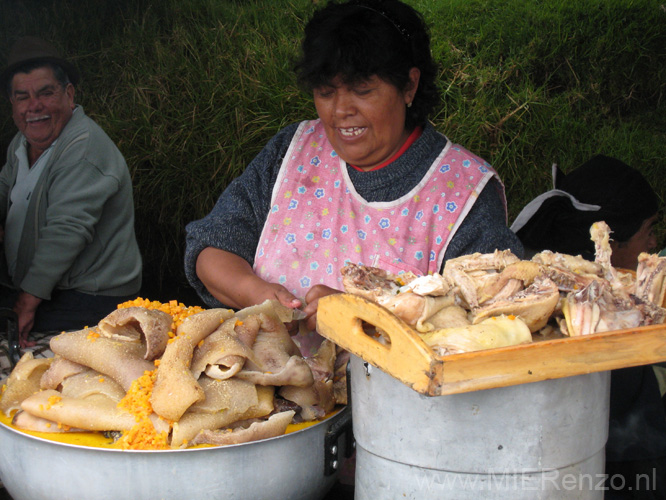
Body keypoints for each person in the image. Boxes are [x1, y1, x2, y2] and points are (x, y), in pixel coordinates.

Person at [184, 0, 523, 358]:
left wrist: (369, 317)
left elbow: (495, 325)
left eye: (363, 90)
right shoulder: (294, 151)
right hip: (272, 388)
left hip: (396, 403)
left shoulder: (463, 192)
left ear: (409, 86)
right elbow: (211, 249)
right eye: (326, 92)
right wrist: (254, 292)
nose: (341, 110)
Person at [511, 154, 666, 499]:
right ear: (606, 246)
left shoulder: (534, 291)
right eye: (648, 230)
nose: (654, 243)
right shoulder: (616, 345)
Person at [0, 37, 142, 348]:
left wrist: (26, 303)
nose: (33, 106)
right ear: (12, 104)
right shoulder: (21, 145)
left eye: (45, 93)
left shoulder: (83, 146)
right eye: (22, 97)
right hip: (44, 290)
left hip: (90, 299)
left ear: (69, 94)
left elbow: (67, 230)